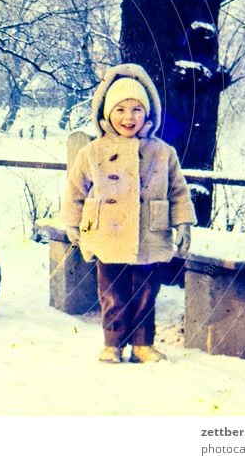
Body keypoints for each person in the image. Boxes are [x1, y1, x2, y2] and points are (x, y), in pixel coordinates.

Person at [62, 63, 196, 364]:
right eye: (120, 110)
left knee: (147, 292)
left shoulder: (163, 152)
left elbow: (178, 190)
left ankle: (142, 345)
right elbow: (75, 189)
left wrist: (183, 223)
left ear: (148, 113)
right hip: (107, 235)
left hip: (149, 234)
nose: (129, 117)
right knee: (112, 293)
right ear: (107, 113)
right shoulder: (93, 151)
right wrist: (72, 222)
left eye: (137, 109)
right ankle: (113, 343)